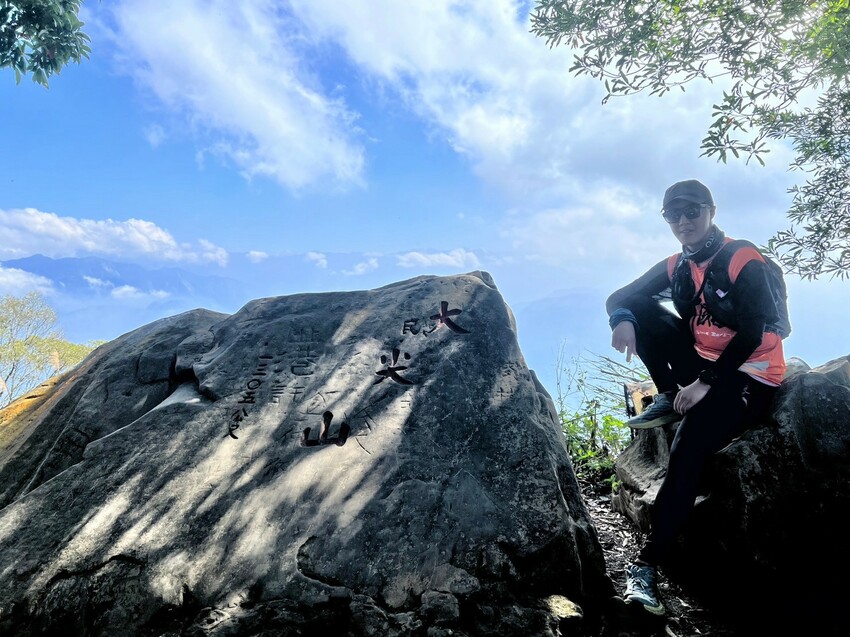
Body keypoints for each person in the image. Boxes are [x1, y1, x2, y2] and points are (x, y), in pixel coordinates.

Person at [605, 179, 787, 616]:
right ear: (666, 219)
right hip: (702, 365)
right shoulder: (678, 265)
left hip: (749, 374)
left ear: (711, 211)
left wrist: (705, 381)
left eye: (693, 212)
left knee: (689, 445)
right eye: (674, 214)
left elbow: (753, 331)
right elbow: (619, 296)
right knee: (640, 309)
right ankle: (670, 394)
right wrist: (622, 319)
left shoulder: (743, 259)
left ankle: (647, 566)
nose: (684, 222)